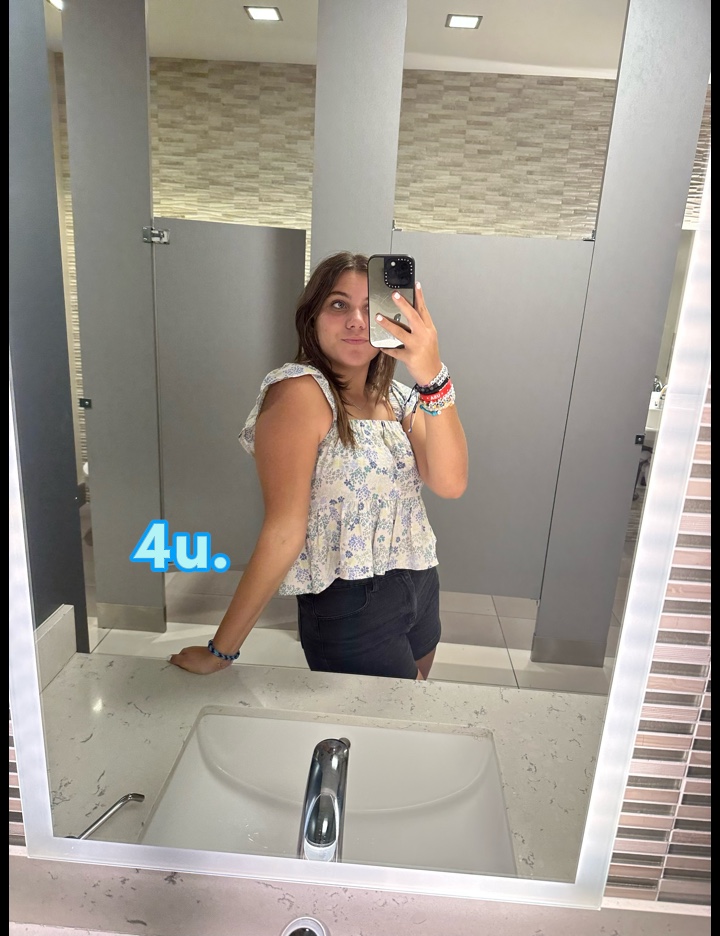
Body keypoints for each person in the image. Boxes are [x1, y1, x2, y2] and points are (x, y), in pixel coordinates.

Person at [168, 251, 468, 680]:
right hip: (352, 603)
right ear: (312, 318)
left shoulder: (399, 398)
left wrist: (431, 374)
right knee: (387, 717)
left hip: (420, 580)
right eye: (339, 304)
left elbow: (450, 483)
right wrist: (222, 651)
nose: (356, 321)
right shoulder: (301, 393)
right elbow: (283, 531)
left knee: (414, 705)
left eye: (370, 308)